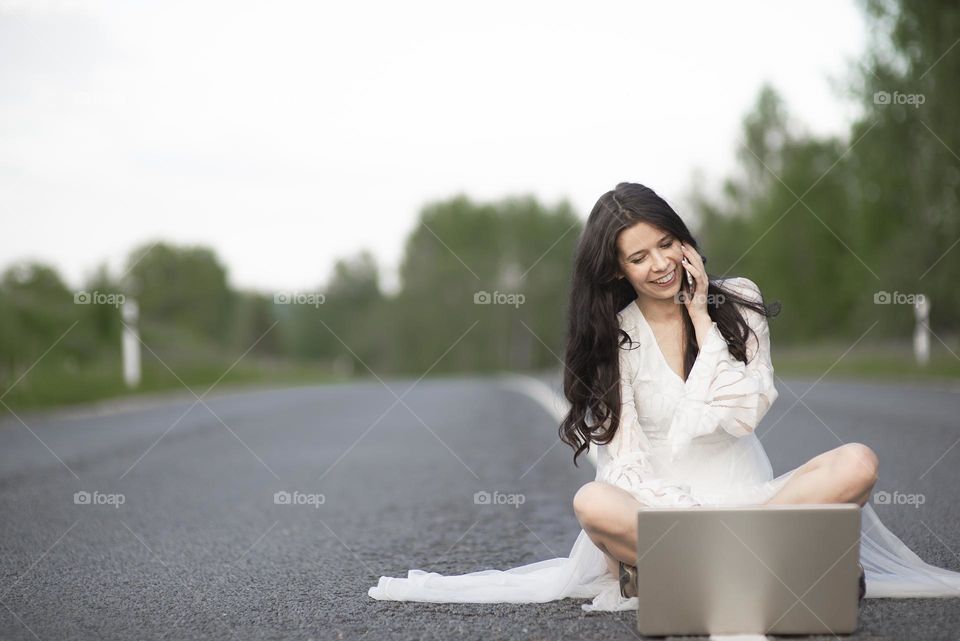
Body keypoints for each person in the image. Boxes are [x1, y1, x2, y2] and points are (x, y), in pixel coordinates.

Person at [368, 182, 960, 612]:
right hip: (668, 514)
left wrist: (703, 318)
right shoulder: (614, 335)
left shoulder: (740, 300)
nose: (660, 265)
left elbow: (742, 410)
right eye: (638, 256)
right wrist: (688, 519)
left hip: (758, 504)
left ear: (684, 239)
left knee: (858, 462)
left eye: (666, 243)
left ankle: (681, 575)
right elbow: (624, 464)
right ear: (617, 268)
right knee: (594, 502)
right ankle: (772, 569)